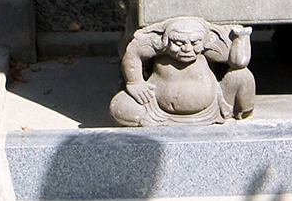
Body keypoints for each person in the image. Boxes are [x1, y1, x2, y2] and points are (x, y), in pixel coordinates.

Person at [109, 17, 256, 126]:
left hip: (214, 106)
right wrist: (135, 82)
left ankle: (239, 112)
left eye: (194, 43)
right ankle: (150, 120)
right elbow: (133, 52)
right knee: (119, 105)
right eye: (178, 44)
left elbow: (238, 62)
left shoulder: (208, 49)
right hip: (157, 111)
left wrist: (241, 37)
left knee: (242, 75)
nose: (187, 49)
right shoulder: (158, 47)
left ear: (203, 40)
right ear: (166, 41)